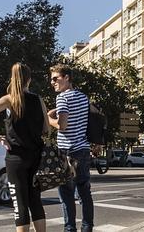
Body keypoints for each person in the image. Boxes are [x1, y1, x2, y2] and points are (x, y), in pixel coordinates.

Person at [0, 63, 48, 232]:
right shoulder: (38, 99)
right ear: (29, 80)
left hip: (15, 158)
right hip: (36, 157)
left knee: (20, 203)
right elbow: (46, 128)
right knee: (35, 200)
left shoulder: (9, 99)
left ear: (13, 79)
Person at [47, 64, 94, 232]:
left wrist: (48, 119)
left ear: (66, 77)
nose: (52, 82)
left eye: (55, 78)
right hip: (83, 150)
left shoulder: (62, 98)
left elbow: (63, 125)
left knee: (66, 195)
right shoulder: (83, 97)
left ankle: (70, 229)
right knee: (84, 193)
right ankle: (87, 228)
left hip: (67, 152)